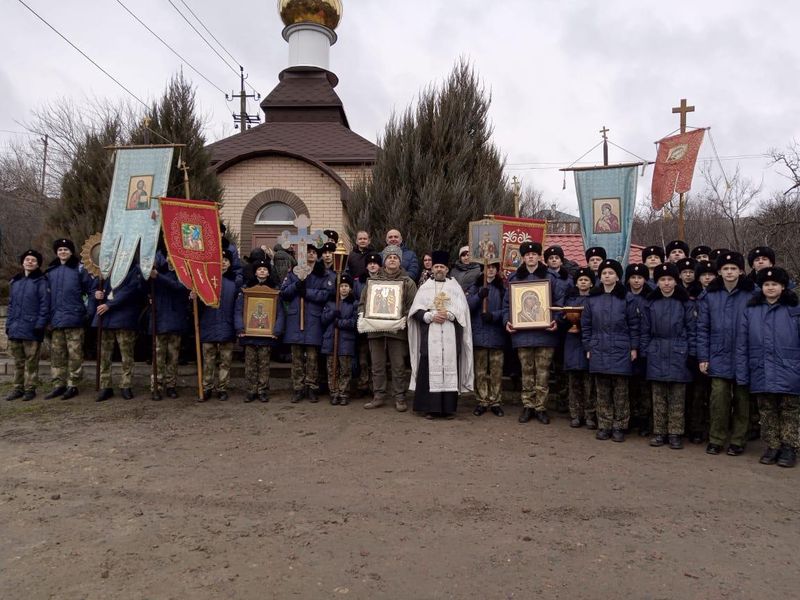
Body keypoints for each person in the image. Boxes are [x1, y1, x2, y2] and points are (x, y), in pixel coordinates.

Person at [736, 267, 800, 468]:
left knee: (789, 410)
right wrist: (742, 372)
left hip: (790, 369)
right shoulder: (751, 310)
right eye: (766, 284)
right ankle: (772, 445)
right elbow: (742, 344)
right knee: (767, 410)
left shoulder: (794, 309)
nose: (770, 288)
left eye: (774, 284)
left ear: (783, 286)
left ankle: (789, 447)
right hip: (760, 368)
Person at [697, 251, 756, 456]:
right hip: (718, 354)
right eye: (725, 269)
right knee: (719, 400)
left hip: (744, 355)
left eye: (733, 269)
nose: (729, 272)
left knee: (742, 401)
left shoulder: (752, 293)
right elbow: (702, 328)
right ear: (719, 272)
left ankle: (738, 440)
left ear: (741, 270)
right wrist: (703, 357)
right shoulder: (710, 295)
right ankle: (716, 439)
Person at [503, 241, 563, 425]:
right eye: (527, 255)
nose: (530, 257)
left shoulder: (551, 277)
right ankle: (528, 406)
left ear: (538, 257)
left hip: (545, 334)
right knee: (526, 372)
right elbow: (507, 305)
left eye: (534, 254)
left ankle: (541, 408)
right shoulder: (514, 278)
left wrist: (557, 320)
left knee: (543, 373)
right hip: (522, 336)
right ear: (523, 258)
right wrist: (507, 321)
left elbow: (560, 302)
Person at [408, 250, 473, 418]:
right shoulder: (425, 287)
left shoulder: (455, 287)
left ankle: (448, 409)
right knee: (429, 368)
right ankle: (430, 408)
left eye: (442, 267)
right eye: (436, 266)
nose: (438, 269)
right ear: (432, 269)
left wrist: (451, 315)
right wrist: (428, 316)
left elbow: (463, 311)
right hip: (431, 335)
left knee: (449, 367)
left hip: (450, 334)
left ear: (447, 269)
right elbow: (415, 312)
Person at [581, 259, 640, 442]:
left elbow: (634, 324)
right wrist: (588, 346)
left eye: (611, 273)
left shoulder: (627, 297)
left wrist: (634, 347)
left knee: (620, 391)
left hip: (621, 348)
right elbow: (586, 325)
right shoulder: (592, 298)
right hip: (598, 347)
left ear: (617, 276)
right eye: (604, 273)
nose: (607, 276)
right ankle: (604, 425)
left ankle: (620, 426)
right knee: (602, 390)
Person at [640, 263, 696, 450]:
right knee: (658, 395)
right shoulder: (650, 303)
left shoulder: (685, 303)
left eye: (670, 279)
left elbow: (692, 330)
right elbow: (644, 331)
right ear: (657, 282)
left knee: (677, 396)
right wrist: (644, 351)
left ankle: (675, 432)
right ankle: (659, 431)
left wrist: (692, 353)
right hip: (656, 350)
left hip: (679, 350)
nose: (666, 283)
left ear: (676, 281)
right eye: (662, 280)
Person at [358, 244, 417, 412]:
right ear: (384, 261)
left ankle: (399, 397)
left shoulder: (407, 282)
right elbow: (363, 303)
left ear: (400, 261)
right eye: (389, 257)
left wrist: (400, 317)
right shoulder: (373, 281)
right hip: (375, 330)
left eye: (396, 257)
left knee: (398, 365)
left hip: (397, 331)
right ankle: (378, 395)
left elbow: (413, 305)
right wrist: (364, 315)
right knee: (377, 364)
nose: (392, 259)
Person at [280, 244, 335, 403]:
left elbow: (326, 294)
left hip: (313, 320)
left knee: (312, 357)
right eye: (307, 252)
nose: (310, 255)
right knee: (296, 357)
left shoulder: (321, 274)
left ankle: (311, 387)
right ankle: (298, 388)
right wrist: (296, 285)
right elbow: (284, 293)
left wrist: (308, 292)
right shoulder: (293, 273)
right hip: (296, 320)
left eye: (313, 252)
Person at [45, 238, 92, 400]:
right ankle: (59, 384)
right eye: (60, 250)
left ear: (71, 251)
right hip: (56, 320)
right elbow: (46, 297)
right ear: (56, 253)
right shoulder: (51, 271)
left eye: (66, 249)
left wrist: (87, 312)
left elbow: (90, 291)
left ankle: (73, 385)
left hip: (75, 318)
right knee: (57, 354)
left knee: (75, 354)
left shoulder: (80, 269)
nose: (63, 252)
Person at [92, 262, 145, 402]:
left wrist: (110, 304)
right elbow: (95, 286)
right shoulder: (106, 267)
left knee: (126, 355)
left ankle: (126, 385)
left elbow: (131, 289)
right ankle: (105, 386)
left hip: (124, 317)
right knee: (104, 355)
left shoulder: (134, 268)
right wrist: (96, 293)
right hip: (105, 318)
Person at [236, 259, 285, 403]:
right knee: (250, 364)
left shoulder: (275, 290)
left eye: (265, 269)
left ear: (269, 272)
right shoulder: (246, 289)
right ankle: (251, 390)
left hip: (266, 336)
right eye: (259, 269)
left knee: (264, 365)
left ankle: (263, 390)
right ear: (255, 272)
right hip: (249, 335)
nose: (262, 271)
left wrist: (277, 330)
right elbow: (239, 310)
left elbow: (280, 312)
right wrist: (240, 328)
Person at [5, 249, 49, 402]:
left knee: (31, 362)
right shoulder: (15, 282)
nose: (30, 262)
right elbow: (11, 305)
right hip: (16, 328)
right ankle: (17, 388)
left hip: (32, 329)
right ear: (23, 262)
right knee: (18, 362)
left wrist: (40, 325)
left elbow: (45, 306)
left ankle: (30, 389)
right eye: (27, 259)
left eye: (33, 260)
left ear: (37, 264)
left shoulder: (41, 282)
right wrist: (9, 324)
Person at [195, 250, 240, 401]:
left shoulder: (235, 282)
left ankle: (222, 388)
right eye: (221, 259)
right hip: (208, 325)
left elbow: (238, 306)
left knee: (225, 361)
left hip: (227, 326)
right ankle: (206, 387)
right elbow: (196, 308)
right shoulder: (204, 280)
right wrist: (193, 297)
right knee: (208, 360)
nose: (224, 262)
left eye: (226, 259)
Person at [466, 258, 506, 417]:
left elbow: (508, 310)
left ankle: (495, 401)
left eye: (493, 267)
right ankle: (482, 400)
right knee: (480, 371)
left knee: (496, 371)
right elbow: (467, 307)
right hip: (479, 336)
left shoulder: (503, 289)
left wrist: (493, 316)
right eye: (487, 267)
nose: (490, 270)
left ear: (497, 270)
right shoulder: (475, 287)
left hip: (496, 336)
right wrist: (478, 297)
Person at [148, 254, 191, 400]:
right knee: (158, 356)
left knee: (173, 357)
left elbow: (178, 286)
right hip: (159, 319)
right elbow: (142, 287)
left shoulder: (182, 274)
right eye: (168, 256)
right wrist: (148, 273)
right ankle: (157, 385)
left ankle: (171, 385)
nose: (170, 259)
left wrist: (158, 276)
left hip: (176, 320)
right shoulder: (158, 272)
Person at [563, 267, 595, 427]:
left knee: (589, 384)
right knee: (573, 382)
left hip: (588, 343)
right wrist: (563, 319)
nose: (583, 282)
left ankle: (590, 415)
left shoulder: (595, 299)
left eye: (586, 280)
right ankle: (575, 414)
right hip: (571, 342)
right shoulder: (569, 300)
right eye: (580, 280)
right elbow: (562, 319)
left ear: (591, 283)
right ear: (576, 283)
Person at [321, 273, 358, 406]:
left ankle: (344, 393)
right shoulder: (331, 302)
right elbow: (323, 319)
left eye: (346, 286)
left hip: (345, 342)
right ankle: (334, 392)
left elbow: (354, 322)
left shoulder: (353, 303)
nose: (343, 288)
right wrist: (332, 314)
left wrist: (340, 323)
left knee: (345, 369)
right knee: (332, 369)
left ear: (350, 288)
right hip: (331, 341)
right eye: (341, 286)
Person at [625, 263, 652, 436]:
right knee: (629, 386)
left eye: (640, 277)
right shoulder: (623, 296)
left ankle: (644, 421)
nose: (636, 280)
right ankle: (631, 418)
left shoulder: (651, 297)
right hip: (626, 346)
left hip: (647, 345)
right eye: (633, 277)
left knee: (644, 387)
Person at [353, 252, 382, 397]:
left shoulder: (384, 280)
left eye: (375, 263)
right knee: (363, 357)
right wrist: (361, 310)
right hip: (364, 323)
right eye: (370, 263)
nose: (372, 265)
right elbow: (354, 299)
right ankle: (363, 384)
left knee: (376, 358)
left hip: (378, 324)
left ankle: (375, 386)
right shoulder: (359, 281)